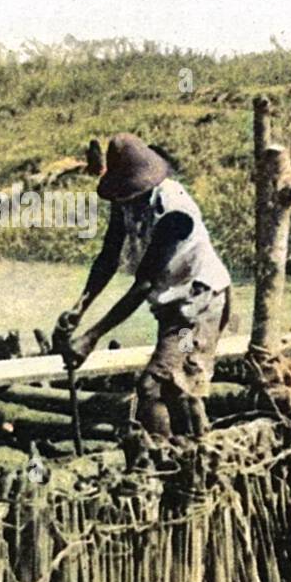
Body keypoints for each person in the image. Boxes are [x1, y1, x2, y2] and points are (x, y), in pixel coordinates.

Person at [59, 133, 232, 438]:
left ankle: (172, 459)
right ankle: (186, 453)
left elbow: (144, 282)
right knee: (179, 387)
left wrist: (91, 337)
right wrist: (80, 307)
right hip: (171, 305)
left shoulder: (174, 211)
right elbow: (108, 257)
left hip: (199, 306)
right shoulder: (125, 197)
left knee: (157, 383)